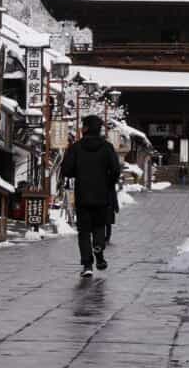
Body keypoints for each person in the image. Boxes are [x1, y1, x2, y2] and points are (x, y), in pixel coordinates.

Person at [61, 115, 120, 277]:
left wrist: (78, 172)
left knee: (84, 231)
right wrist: (108, 182)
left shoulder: (76, 147)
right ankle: (99, 250)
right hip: (102, 195)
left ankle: (87, 265)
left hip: (83, 195)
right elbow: (116, 170)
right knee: (100, 226)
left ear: (85, 128)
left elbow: (66, 170)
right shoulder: (107, 147)